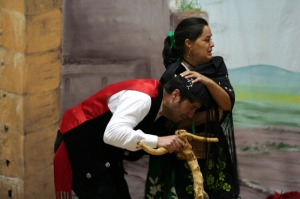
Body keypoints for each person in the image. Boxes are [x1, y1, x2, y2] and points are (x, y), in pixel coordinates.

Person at [53, 75, 210, 199]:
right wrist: (158, 141)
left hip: (105, 157)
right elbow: (112, 134)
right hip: (80, 148)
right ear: (175, 95)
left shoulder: (159, 108)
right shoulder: (143, 98)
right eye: (192, 107)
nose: (191, 114)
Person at [145, 17, 240, 199]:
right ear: (189, 43)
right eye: (206, 39)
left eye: (211, 39)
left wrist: (205, 80)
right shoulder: (173, 75)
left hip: (213, 146)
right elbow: (170, 124)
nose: (211, 44)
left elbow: (227, 104)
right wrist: (207, 116)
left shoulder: (216, 66)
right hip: (182, 150)